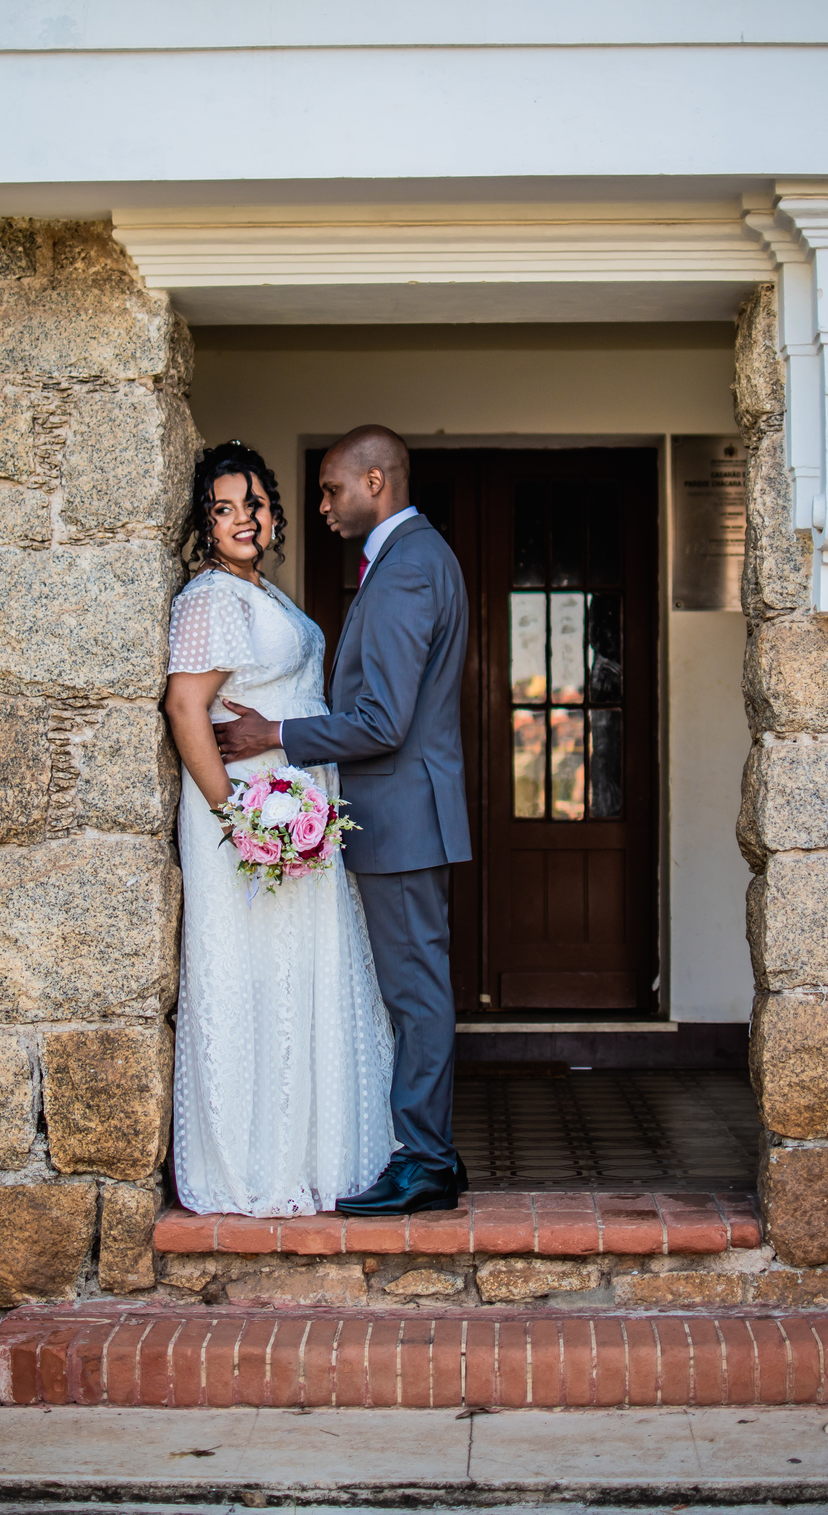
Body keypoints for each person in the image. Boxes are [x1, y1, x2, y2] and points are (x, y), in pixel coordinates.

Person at [216, 425, 471, 1217]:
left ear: (375, 484)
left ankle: (425, 1162)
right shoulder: (417, 559)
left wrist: (274, 736)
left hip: (400, 815)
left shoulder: (406, 572)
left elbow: (383, 721)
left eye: (331, 490)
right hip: (405, 813)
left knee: (415, 993)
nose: (321, 505)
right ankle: (436, 1155)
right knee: (416, 986)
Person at [163, 440, 394, 1217]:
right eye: (223, 508)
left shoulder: (260, 592)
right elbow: (186, 708)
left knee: (301, 973)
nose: (242, 518)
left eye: (253, 502)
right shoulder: (209, 600)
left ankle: (312, 1147)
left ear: (272, 511)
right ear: (203, 523)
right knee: (255, 973)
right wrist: (235, 814)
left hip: (296, 809)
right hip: (248, 818)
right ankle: (254, 1158)